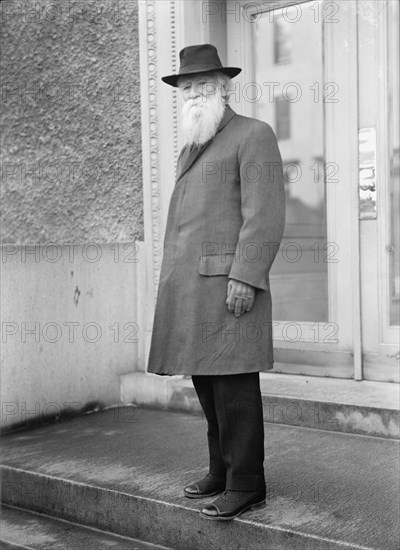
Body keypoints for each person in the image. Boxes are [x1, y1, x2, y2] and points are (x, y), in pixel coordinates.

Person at [147, 44, 286, 521]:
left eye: (203, 85)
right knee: (207, 384)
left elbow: (263, 215)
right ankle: (220, 470)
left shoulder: (254, 134)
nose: (194, 93)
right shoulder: (193, 144)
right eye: (187, 87)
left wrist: (246, 277)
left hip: (229, 286)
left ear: (224, 89)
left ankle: (247, 483)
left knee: (235, 388)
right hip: (192, 288)